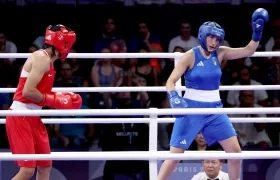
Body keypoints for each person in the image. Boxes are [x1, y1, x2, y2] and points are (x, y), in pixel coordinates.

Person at [157, 8, 269, 180]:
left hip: (215, 110)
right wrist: (174, 97)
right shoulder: (190, 56)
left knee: (235, 155)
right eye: (211, 37)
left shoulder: (221, 52)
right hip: (191, 109)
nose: (214, 42)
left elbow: (248, 51)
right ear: (203, 35)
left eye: (217, 39)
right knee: (174, 157)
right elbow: (170, 82)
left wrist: (257, 33)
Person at [5, 24, 81, 180]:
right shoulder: (41, 58)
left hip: (33, 116)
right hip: (21, 115)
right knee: (27, 170)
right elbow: (28, 91)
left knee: (45, 166)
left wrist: (61, 96)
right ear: (63, 43)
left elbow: (41, 93)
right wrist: (55, 101)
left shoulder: (48, 61)